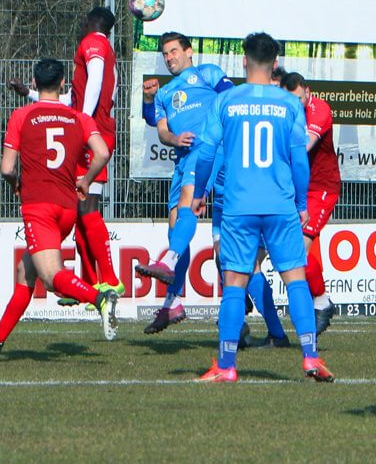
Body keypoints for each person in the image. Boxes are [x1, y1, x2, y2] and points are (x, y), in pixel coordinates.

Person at [190, 32, 333, 383]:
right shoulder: (288, 105)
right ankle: (311, 357)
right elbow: (300, 160)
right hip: (281, 204)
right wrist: (301, 202)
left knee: (236, 281)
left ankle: (226, 366)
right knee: (295, 277)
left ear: (244, 61)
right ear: (275, 65)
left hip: (239, 206)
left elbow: (206, 152)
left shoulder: (227, 101)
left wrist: (198, 194)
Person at [0, 59, 116, 361]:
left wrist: (16, 182)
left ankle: (101, 299)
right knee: (25, 272)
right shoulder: (78, 117)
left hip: (38, 205)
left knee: (53, 277)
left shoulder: (22, 115)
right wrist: (86, 179)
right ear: (64, 84)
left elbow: (5, 168)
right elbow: (103, 152)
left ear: (34, 82)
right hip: (67, 207)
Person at [10, 7, 123, 297]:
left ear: (90, 22)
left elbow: (94, 81)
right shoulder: (104, 48)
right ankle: (90, 284)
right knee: (80, 208)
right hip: (95, 128)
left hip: (92, 132)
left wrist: (80, 123)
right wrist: (30, 94)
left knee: (87, 208)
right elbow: (71, 97)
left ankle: (108, 281)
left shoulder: (93, 43)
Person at [135, 32, 234, 334]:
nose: (169, 58)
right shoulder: (165, 94)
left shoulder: (208, 73)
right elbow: (160, 129)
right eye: (165, 54)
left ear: (188, 51)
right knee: (177, 223)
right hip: (183, 158)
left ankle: (170, 261)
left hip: (208, 151)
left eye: (174, 51)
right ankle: (172, 303)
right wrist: (152, 104)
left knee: (188, 210)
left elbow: (232, 100)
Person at [282, 72, 340, 335]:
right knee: (288, 252)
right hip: (294, 191)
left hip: (321, 190)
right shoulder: (286, 110)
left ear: (308, 91)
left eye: (298, 98)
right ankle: (320, 301)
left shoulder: (320, 109)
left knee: (296, 251)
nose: (295, 104)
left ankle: (322, 301)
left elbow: (305, 145)